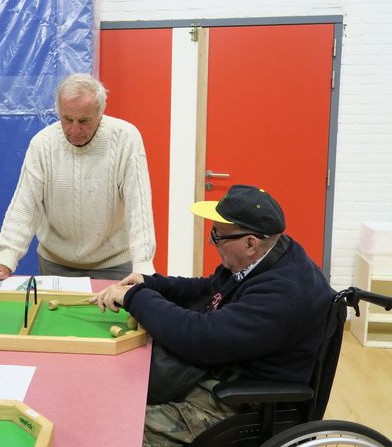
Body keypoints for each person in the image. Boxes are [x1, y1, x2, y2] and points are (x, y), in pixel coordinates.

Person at [91, 184, 335, 446]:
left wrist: (134, 297)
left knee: (119, 426)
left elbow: (199, 336)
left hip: (239, 402)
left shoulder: (281, 293)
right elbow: (209, 289)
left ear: (250, 243)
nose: (211, 241)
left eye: (218, 235)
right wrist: (151, 283)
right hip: (223, 373)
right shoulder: (270, 254)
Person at [0, 73, 156, 283]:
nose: (74, 130)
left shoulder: (126, 138)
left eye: (84, 121)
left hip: (114, 264)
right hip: (56, 263)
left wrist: (143, 265)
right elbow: (25, 206)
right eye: (67, 120)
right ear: (59, 112)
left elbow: (138, 206)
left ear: (100, 112)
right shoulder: (42, 144)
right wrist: (5, 258)